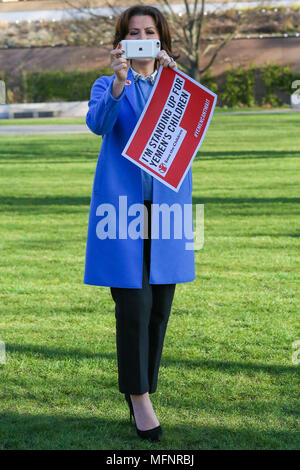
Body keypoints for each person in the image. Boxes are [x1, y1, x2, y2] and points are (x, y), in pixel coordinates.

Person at [84, 4, 195, 441]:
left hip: (166, 215)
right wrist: (118, 81)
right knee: (133, 308)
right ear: (122, 41)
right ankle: (140, 399)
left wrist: (176, 81)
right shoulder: (108, 84)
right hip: (122, 215)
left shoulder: (176, 87)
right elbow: (97, 124)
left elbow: (194, 130)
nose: (143, 38)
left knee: (159, 311)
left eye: (150, 32)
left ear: (161, 39)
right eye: (135, 33)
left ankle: (141, 389)